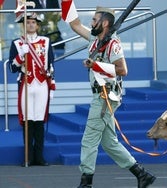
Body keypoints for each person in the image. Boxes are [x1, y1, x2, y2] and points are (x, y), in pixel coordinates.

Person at [61, 0, 156, 187]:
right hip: (101, 95)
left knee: (89, 139)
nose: (91, 23)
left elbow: (123, 70)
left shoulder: (113, 44)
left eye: (95, 20)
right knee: (109, 143)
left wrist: (95, 65)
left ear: (105, 23)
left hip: (105, 97)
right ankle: (142, 174)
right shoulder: (95, 39)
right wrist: (66, 2)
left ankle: (86, 182)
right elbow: (75, 24)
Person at [8, 12, 56, 167]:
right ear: (24, 25)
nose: (30, 25)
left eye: (33, 22)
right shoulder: (17, 43)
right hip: (27, 84)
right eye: (27, 22)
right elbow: (12, 68)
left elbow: (51, 65)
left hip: (41, 86)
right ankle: (27, 157)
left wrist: (52, 83)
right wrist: (21, 55)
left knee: (39, 122)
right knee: (28, 122)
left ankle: (39, 157)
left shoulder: (46, 41)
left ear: (37, 25)